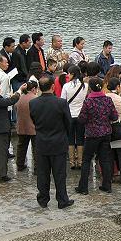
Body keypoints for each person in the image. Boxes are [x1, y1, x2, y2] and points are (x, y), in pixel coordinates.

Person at [29, 76, 73, 209]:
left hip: (41, 141)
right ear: (53, 87)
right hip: (58, 141)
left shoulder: (33, 103)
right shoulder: (61, 103)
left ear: (39, 88)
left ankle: (43, 198)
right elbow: (68, 122)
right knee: (59, 173)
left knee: (42, 173)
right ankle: (62, 199)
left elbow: (34, 120)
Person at [77, 77, 117, 194]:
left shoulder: (88, 102)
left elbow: (82, 119)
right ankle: (107, 185)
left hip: (92, 134)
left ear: (90, 88)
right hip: (106, 133)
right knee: (105, 160)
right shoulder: (108, 100)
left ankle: (83, 187)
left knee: (86, 160)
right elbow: (114, 116)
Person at [0, 79, 25, 181]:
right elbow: (11, 101)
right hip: (0, 131)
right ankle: (3, 175)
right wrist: (19, 90)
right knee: (2, 153)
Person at [61, 65, 87, 170]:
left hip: (69, 115)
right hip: (81, 115)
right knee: (80, 138)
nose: (67, 75)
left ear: (72, 74)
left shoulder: (66, 86)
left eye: (68, 73)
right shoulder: (85, 86)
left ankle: (72, 162)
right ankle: (80, 161)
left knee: (70, 138)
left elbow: (63, 101)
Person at [15, 80, 38, 173]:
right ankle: (37, 168)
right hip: (33, 127)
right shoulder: (35, 99)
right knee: (36, 148)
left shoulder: (19, 97)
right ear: (33, 89)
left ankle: (20, 165)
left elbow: (15, 109)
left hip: (21, 126)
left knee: (21, 146)